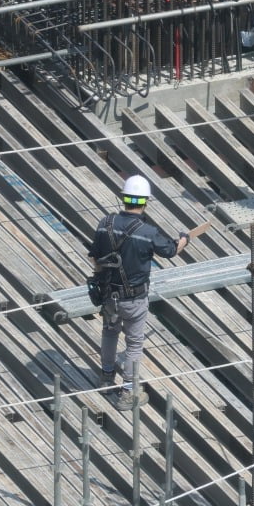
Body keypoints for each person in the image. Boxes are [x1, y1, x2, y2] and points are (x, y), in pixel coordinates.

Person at [89, 175, 193, 410]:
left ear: (123, 198)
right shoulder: (147, 231)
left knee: (109, 333)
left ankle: (106, 378)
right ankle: (127, 392)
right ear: (145, 201)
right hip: (134, 298)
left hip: (108, 295)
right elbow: (170, 250)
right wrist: (185, 239)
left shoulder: (104, 223)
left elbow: (94, 256)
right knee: (134, 343)